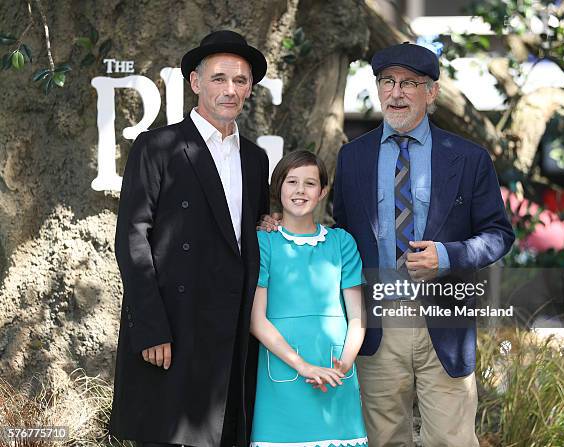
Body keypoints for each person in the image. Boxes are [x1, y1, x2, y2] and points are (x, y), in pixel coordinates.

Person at [260, 43, 514, 446]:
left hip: (444, 320)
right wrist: (280, 224)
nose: (395, 93)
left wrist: (447, 256)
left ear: (430, 93)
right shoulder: (353, 157)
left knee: (451, 440)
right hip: (375, 323)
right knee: (383, 440)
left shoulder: (467, 157)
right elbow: (340, 234)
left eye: (408, 84)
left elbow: (499, 235)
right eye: (387, 82)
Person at [109, 30, 270, 447]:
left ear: (250, 88)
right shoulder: (157, 147)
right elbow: (132, 237)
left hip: (231, 330)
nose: (230, 89)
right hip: (173, 328)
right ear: (196, 83)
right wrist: (150, 327)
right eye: (219, 78)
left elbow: (244, 234)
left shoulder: (255, 158)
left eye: (240, 81)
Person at [250, 150, 368, 447]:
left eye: (310, 183)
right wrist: (302, 366)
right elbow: (256, 320)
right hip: (282, 374)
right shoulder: (264, 242)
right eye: (292, 181)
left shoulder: (342, 242)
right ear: (278, 188)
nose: (300, 190)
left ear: (323, 191)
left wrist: (342, 365)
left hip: (335, 376)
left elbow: (357, 318)